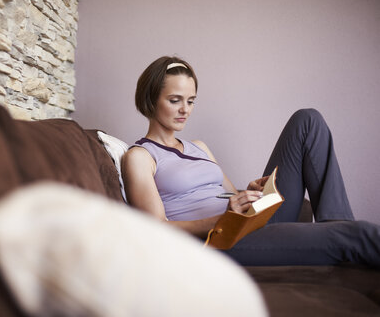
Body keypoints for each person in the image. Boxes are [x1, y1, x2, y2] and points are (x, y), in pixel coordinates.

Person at [121, 55, 380, 267]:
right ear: (150, 100)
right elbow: (155, 228)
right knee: (362, 235)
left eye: (190, 101)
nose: (185, 109)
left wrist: (251, 192)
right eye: (174, 100)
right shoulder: (140, 157)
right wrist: (222, 221)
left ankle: (336, 228)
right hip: (222, 239)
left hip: (247, 220)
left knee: (308, 120)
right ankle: (341, 237)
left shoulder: (199, 147)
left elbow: (229, 195)